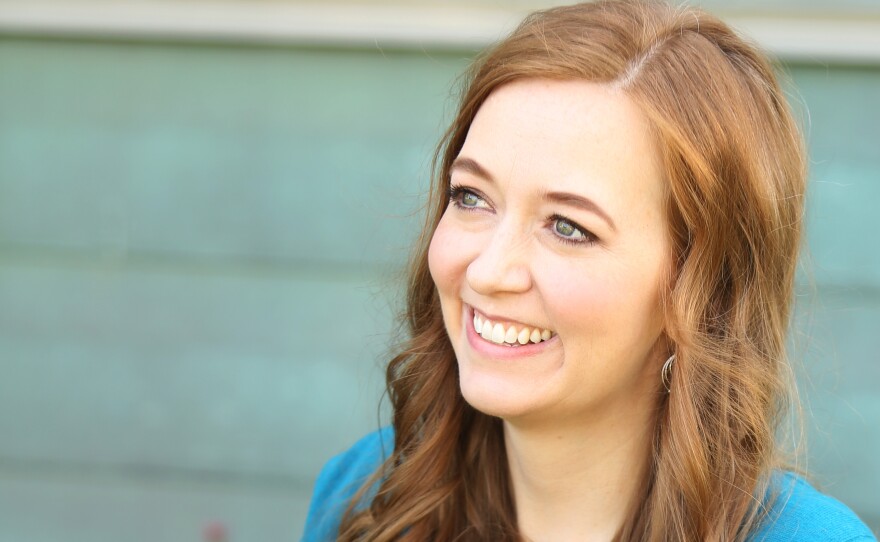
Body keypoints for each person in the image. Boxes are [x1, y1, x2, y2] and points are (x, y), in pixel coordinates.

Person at [302, 0, 877, 540]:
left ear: (699, 290)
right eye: (472, 197)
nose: (487, 272)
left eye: (568, 227)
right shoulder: (364, 497)